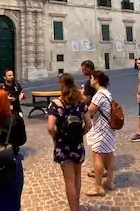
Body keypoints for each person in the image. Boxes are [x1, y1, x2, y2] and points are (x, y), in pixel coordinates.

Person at [47, 73, 92, 211]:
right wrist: (80, 134)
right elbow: (89, 124)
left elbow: (50, 127)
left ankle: (74, 209)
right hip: (77, 145)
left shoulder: (56, 104)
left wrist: (56, 137)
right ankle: (76, 206)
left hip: (63, 146)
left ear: (62, 85)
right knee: (77, 176)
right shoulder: (80, 103)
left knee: (69, 180)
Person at [85, 71, 116, 196]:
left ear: (96, 79)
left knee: (97, 156)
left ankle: (98, 186)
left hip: (101, 129)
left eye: (91, 78)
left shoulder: (99, 95)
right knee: (109, 155)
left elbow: (90, 111)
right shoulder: (107, 93)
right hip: (109, 129)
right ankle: (109, 181)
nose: (90, 80)